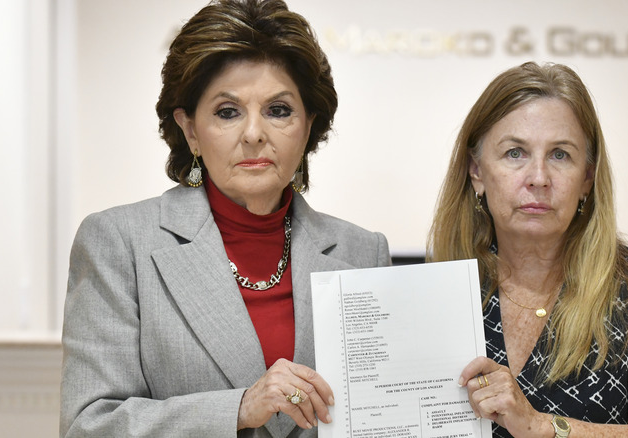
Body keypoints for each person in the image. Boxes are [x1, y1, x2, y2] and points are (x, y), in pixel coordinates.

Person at [60, 1, 391, 436]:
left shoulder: (363, 252)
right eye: (227, 112)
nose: (254, 133)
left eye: (278, 110)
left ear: (308, 126)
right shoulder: (119, 243)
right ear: (191, 130)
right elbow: (88, 426)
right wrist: (236, 409)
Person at [427, 62, 628, 437]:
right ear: (476, 171)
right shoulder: (437, 288)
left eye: (560, 155)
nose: (538, 178)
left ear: (587, 178)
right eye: (515, 153)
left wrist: (542, 427)